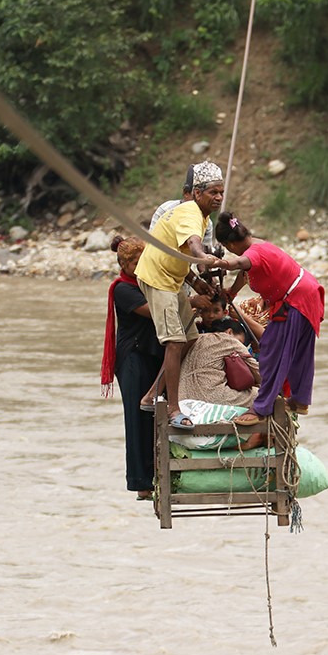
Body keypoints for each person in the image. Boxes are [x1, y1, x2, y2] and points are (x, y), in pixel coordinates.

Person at [134, 161, 224, 430]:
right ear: (196, 193)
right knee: (174, 342)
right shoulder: (189, 213)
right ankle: (173, 409)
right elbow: (194, 245)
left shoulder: (203, 215)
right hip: (157, 279)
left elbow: (178, 252)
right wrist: (205, 258)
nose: (218, 197)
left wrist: (196, 282)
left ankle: (152, 394)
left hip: (173, 278)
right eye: (212, 192)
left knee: (189, 338)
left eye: (221, 192)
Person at [215, 211, 325, 424]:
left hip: (296, 299)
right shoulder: (256, 244)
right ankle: (300, 400)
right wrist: (232, 292)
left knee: (272, 351)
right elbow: (245, 271)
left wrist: (222, 264)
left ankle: (261, 408)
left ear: (230, 245)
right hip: (304, 294)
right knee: (298, 352)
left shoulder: (253, 254)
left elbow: (241, 263)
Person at [100, 236, 163, 500]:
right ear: (125, 264)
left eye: (144, 261)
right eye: (136, 262)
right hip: (133, 358)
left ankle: (161, 473)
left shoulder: (149, 282)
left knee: (158, 415)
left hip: (153, 353)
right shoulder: (123, 289)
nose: (140, 266)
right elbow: (155, 311)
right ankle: (141, 482)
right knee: (137, 418)